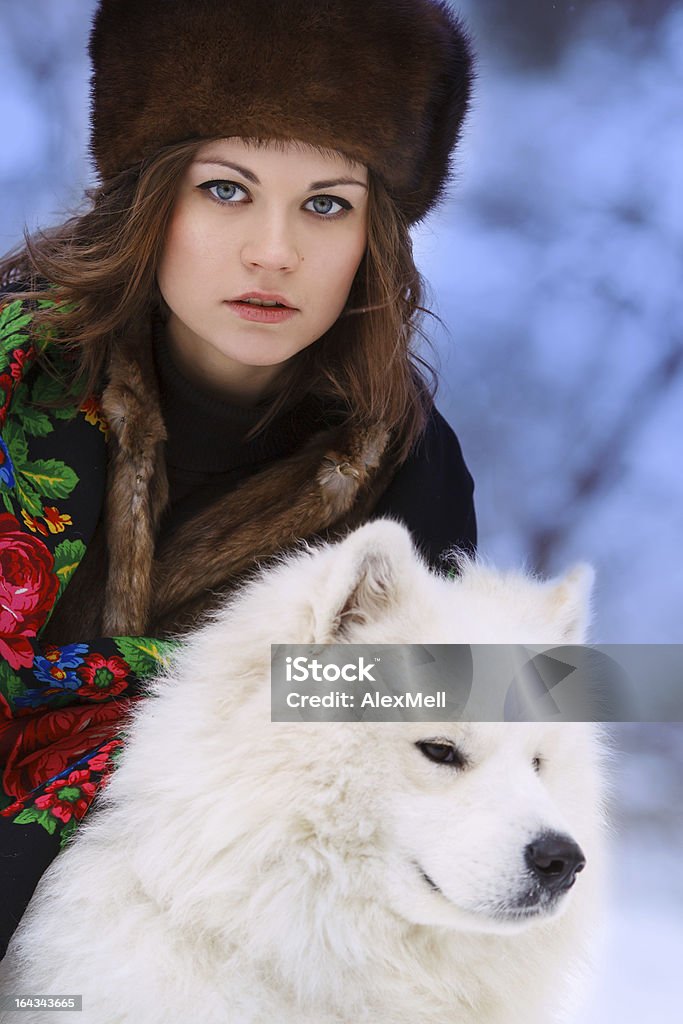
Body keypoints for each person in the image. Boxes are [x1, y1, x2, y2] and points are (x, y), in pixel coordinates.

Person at [0, 0, 476, 958]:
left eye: (326, 204)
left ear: (372, 240)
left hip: (187, 934)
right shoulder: (14, 377)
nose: (273, 250)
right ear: (151, 197)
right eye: (226, 189)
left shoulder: (409, 474)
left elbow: (426, 745)